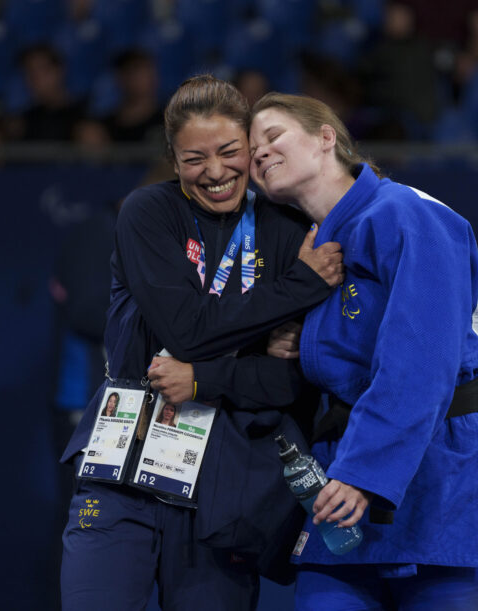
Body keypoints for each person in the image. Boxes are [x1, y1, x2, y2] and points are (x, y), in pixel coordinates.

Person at [59, 75, 345, 610]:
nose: (215, 172)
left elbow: (295, 379)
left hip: (226, 485)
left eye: (230, 151)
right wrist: (294, 292)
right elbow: (186, 328)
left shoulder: (287, 230)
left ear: (253, 151)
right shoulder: (148, 213)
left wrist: (205, 376)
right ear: (172, 157)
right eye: (195, 158)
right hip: (124, 466)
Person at [247, 93, 478, 609]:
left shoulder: (405, 213)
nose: (260, 153)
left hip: (439, 472)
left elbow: (421, 361)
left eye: (273, 136)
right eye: (252, 149)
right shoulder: (305, 247)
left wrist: (364, 471)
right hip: (342, 477)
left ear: (326, 138)